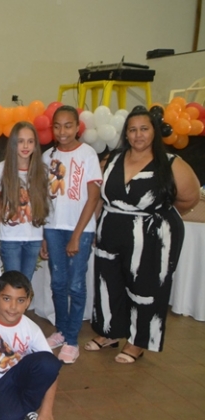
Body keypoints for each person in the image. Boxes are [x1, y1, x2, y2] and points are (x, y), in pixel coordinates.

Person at [87, 108, 200, 363]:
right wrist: (95, 226)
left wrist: (155, 217)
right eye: (133, 129)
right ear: (126, 133)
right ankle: (109, 333)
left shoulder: (171, 163)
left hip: (153, 235)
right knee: (108, 283)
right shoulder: (112, 159)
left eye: (144, 129)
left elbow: (189, 197)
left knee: (146, 287)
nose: (138, 135)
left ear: (154, 132)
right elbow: (98, 195)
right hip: (111, 228)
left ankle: (138, 342)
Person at [40, 105, 101, 364]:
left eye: (68, 125)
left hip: (80, 229)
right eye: (57, 126)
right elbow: (43, 199)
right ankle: (62, 331)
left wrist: (77, 235)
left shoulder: (88, 154)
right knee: (57, 283)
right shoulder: (46, 157)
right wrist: (43, 234)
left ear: (77, 127)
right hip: (53, 228)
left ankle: (73, 339)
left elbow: (93, 197)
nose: (62, 131)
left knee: (76, 285)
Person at [0, 271, 60, 420]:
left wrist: (46, 411)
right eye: (7, 298)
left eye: (20, 300)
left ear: (27, 302)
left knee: (49, 362)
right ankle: (24, 410)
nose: (13, 307)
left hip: (21, 378)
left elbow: (53, 370)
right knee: (8, 416)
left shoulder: (31, 327)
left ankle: (24, 409)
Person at [0, 122, 50, 282]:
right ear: (13, 144)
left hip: (34, 238)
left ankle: (21, 308)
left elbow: (45, 204)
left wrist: (44, 237)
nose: (25, 146)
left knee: (26, 283)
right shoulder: (0, 170)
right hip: (10, 238)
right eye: (21, 141)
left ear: (36, 145)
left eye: (30, 141)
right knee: (13, 283)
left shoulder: (42, 172)